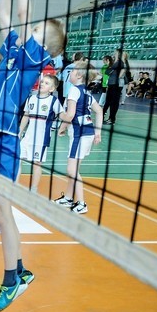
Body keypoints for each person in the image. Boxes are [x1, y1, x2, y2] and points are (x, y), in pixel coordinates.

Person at [0, 0, 66, 312]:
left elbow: (22, 10)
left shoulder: (35, 57)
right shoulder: (17, 51)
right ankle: (20, 272)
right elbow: (4, 16)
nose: (30, 28)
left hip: (6, 139)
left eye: (37, 29)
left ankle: (12, 279)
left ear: (46, 44)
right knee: (0, 212)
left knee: (3, 212)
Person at [52, 61, 103, 214]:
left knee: (71, 169)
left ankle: (81, 203)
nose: (70, 73)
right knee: (74, 169)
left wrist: (61, 127)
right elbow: (99, 111)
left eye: (73, 71)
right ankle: (68, 197)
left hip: (79, 135)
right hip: (87, 133)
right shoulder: (86, 92)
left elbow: (71, 115)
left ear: (79, 75)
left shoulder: (74, 90)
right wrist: (98, 132)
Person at [19, 74, 63, 194]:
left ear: (52, 89)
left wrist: (65, 126)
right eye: (42, 82)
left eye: (47, 83)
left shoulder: (53, 101)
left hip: (41, 139)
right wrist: (20, 132)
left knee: (37, 163)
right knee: (17, 159)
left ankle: (33, 189)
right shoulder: (31, 98)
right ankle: (14, 184)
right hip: (27, 137)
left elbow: (64, 116)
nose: (43, 84)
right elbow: (25, 117)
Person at [102, 49, 123, 125]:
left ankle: (112, 119)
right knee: (108, 102)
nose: (114, 53)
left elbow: (108, 72)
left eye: (115, 52)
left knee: (113, 103)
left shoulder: (119, 63)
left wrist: (109, 66)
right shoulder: (115, 63)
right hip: (111, 84)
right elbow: (108, 72)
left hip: (115, 85)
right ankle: (106, 118)